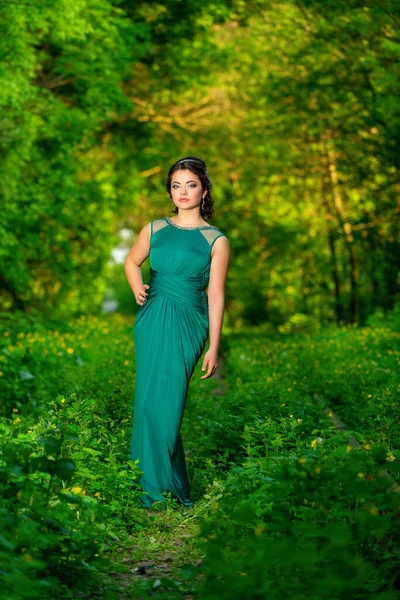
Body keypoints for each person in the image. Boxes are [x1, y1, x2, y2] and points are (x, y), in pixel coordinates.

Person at [124, 156, 230, 509]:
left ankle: (160, 484)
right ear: (170, 192)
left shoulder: (216, 240)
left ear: (204, 190)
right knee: (148, 402)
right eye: (176, 185)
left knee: (168, 405)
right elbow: (131, 261)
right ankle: (152, 487)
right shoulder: (154, 229)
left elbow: (215, 294)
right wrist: (136, 285)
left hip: (190, 322)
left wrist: (214, 346)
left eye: (190, 185)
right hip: (152, 319)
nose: (182, 192)